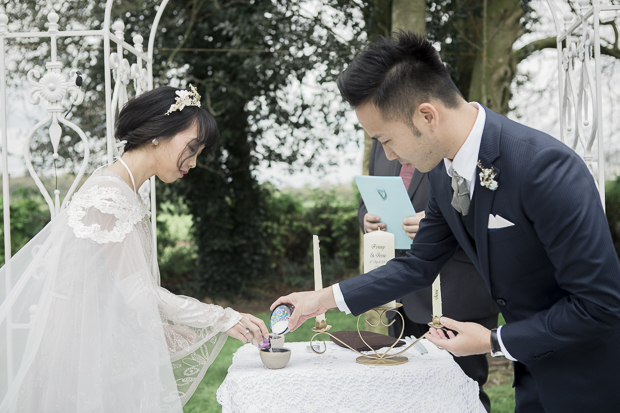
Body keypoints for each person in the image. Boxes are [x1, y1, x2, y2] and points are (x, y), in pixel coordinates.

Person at [272, 32, 620, 413]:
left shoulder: (544, 168)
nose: (389, 155)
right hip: (534, 369)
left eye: (386, 139)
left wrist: (494, 340)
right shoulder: (443, 173)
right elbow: (418, 264)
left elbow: (601, 303)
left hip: (594, 376)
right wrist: (319, 300)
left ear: (427, 115)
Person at [0, 86, 268, 412]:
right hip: (77, 353)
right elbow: (139, 294)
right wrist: (221, 317)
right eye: (192, 148)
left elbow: (116, 290)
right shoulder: (108, 196)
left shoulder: (126, 191)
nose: (195, 162)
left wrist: (169, 328)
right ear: (158, 134)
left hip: (100, 344)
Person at [359, 139, 498, 411]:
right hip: (399, 293)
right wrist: (366, 218)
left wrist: (439, 223)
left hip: (456, 288)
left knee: (462, 391)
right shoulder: (382, 143)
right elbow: (368, 200)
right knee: (406, 391)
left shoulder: (460, 139)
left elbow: (488, 210)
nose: (390, 150)